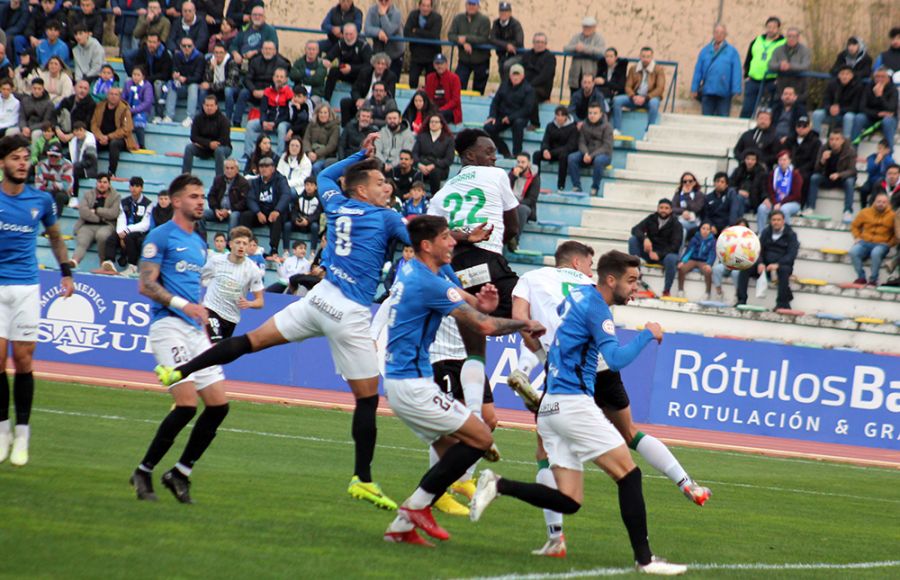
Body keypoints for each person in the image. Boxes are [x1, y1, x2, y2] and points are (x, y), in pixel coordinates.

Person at [155, 134, 411, 511]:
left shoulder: (338, 203)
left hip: (318, 298)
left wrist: (358, 153)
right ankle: (363, 479)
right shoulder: (385, 216)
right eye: (378, 183)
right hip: (350, 312)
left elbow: (325, 176)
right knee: (368, 398)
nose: (386, 187)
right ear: (361, 190)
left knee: (251, 341)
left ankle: (181, 370)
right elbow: (415, 241)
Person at [470, 250, 687, 575]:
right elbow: (614, 359)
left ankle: (498, 484)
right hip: (573, 403)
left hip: (551, 404)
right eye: (631, 281)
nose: (635, 288)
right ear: (610, 279)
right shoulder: (596, 307)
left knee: (570, 500)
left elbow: (552, 330)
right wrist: (647, 333)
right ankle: (646, 560)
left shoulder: (577, 298)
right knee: (629, 474)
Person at [507, 242, 709, 556]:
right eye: (588, 265)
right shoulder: (590, 288)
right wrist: (646, 333)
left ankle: (555, 537)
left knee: (543, 453)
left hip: (561, 372)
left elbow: (523, 320)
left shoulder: (534, 278)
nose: (589, 271)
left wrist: (528, 362)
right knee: (630, 436)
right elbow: (612, 352)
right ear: (577, 263)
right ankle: (685, 483)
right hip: (595, 368)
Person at [380, 215, 547, 547]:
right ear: (427, 246)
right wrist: (522, 324)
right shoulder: (427, 282)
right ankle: (415, 508)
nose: (453, 242)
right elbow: (483, 326)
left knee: (451, 453)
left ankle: (400, 528)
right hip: (412, 384)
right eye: (445, 237)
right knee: (481, 437)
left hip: (407, 381)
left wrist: (479, 304)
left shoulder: (417, 270)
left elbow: (462, 298)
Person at [129, 174, 231, 504]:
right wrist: (183, 304)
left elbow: (192, 287)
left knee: (219, 406)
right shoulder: (160, 236)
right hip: (167, 326)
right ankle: (143, 471)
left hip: (192, 330)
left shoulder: (200, 243)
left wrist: (200, 314)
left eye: (202, 196)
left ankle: (180, 472)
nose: (201, 201)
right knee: (187, 404)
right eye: (193, 196)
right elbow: (146, 285)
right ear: (176, 201)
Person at [0, 134, 74, 467]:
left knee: (25, 362)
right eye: (15, 158)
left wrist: (66, 272)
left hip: (28, 287)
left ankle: (23, 434)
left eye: (25, 158)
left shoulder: (41, 200)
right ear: (3, 162)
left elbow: (56, 238)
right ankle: (3, 432)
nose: (21, 163)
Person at [428, 129, 521, 317]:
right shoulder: (496, 175)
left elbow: (431, 234)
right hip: (489, 261)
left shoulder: (441, 193)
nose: (494, 158)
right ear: (470, 155)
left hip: (454, 269)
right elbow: (513, 227)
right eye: (489, 152)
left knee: (464, 321)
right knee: (520, 308)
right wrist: (488, 242)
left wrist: (464, 237)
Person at [201, 226, 265, 343]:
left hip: (231, 317)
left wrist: (249, 303)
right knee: (214, 346)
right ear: (230, 244)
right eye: (238, 242)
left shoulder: (253, 269)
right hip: (211, 309)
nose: (241, 246)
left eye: (245, 244)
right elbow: (198, 278)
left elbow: (260, 302)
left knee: (217, 356)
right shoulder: (216, 261)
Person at [736, 209, 798, 310]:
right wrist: (760, 263)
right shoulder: (766, 232)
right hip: (765, 265)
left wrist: (777, 264)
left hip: (781, 265)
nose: (776, 222)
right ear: (770, 221)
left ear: (783, 221)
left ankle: (782, 303)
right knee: (745, 266)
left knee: (784, 270)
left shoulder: (791, 235)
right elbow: (758, 250)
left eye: (778, 220)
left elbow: (791, 254)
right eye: (774, 220)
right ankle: (741, 300)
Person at [627, 199, 682, 297]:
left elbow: (675, 246)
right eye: (661, 208)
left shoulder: (676, 224)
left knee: (672, 258)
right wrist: (645, 239)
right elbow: (635, 229)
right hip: (649, 252)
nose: (663, 210)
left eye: (666, 208)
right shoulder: (651, 218)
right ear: (657, 209)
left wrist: (659, 254)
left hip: (664, 256)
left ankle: (666, 290)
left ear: (671, 210)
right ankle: (636, 275)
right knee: (633, 240)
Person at [240, 156, 292, 257]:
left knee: (277, 219)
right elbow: (250, 198)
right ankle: (245, 243)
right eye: (261, 166)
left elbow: (286, 195)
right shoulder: (255, 182)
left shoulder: (281, 180)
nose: (264, 169)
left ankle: (274, 249)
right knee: (246, 215)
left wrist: (277, 210)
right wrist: (258, 212)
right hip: (261, 212)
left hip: (275, 211)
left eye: (267, 166)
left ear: (273, 168)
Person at [69, 172, 121, 269]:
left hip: (107, 225)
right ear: (96, 183)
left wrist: (97, 210)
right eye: (99, 182)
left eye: (105, 182)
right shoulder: (88, 194)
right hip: (87, 225)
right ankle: (74, 261)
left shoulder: (116, 196)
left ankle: (103, 263)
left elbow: (113, 213)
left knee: (102, 236)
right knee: (83, 239)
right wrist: (100, 218)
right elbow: (83, 211)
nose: (102, 184)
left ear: (109, 184)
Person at [233, 40, 290, 127]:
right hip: (255, 91)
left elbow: (280, 82)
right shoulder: (255, 61)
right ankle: (236, 123)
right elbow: (247, 79)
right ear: (262, 50)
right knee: (244, 93)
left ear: (275, 51)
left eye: (270, 49)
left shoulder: (281, 64)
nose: (267, 51)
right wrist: (253, 90)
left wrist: (267, 91)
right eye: (265, 49)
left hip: (271, 93)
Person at [104, 176, 152, 275]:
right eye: (132, 186)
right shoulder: (124, 202)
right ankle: (109, 262)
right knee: (111, 238)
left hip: (138, 232)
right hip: (124, 230)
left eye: (137, 186)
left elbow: (145, 224)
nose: (134, 188)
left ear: (142, 188)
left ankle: (132, 266)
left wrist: (127, 231)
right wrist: (121, 233)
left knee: (130, 239)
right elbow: (121, 218)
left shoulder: (148, 204)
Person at [691, 24, 742, 117]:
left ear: (726, 35)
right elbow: (698, 70)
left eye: (722, 33)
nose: (719, 35)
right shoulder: (705, 51)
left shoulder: (732, 52)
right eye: (716, 32)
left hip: (724, 92)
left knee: (723, 119)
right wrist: (694, 88)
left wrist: (736, 89)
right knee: (706, 118)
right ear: (713, 34)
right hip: (708, 91)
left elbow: (736, 71)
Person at [483, 64, 534, 158]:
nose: (515, 77)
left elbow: (527, 109)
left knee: (518, 124)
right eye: (513, 75)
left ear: (522, 76)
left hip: (519, 117)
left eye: (517, 75)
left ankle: (517, 153)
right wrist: (492, 116)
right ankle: (504, 150)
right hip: (502, 117)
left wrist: (510, 118)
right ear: (510, 76)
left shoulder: (528, 89)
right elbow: (495, 102)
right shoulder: (504, 85)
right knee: (488, 127)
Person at [807, 129, 857, 222]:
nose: (834, 142)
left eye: (837, 139)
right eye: (831, 139)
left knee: (850, 182)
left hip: (842, 179)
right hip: (827, 178)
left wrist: (839, 174)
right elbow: (816, 169)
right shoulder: (824, 148)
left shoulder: (850, 150)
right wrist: (822, 160)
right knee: (814, 178)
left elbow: (852, 171)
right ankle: (810, 208)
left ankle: (847, 211)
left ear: (842, 140)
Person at [740, 16, 785, 118]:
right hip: (753, 80)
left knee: (766, 110)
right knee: (747, 109)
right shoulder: (757, 40)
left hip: (770, 81)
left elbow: (785, 62)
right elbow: (749, 58)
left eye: (774, 27)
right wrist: (746, 75)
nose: (771, 29)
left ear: (778, 29)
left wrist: (779, 78)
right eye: (768, 27)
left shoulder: (783, 43)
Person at [612, 47, 665, 133]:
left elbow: (660, 88)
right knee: (617, 100)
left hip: (649, 99)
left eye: (648, 57)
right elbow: (628, 86)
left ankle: (649, 132)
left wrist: (646, 98)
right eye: (643, 56)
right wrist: (633, 96)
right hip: (635, 98)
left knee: (654, 103)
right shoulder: (633, 69)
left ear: (652, 57)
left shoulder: (659, 70)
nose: (645, 59)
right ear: (640, 56)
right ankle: (617, 130)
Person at [243, 67, 293, 158]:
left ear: (286, 79)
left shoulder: (289, 93)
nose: (279, 79)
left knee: (282, 127)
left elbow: (288, 114)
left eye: (281, 77)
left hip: (282, 122)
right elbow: (263, 109)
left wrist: (275, 123)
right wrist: (263, 121)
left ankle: (279, 155)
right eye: (277, 76)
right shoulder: (267, 91)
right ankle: (248, 153)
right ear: (273, 78)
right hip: (268, 121)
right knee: (250, 124)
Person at [848, 192, 895, 286]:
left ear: (888, 204)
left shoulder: (893, 215)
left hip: (882, 244)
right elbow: (854, 226)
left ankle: (873, 279)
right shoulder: (865, 212)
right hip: (864, 242)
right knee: (853, 252)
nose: (881, 204)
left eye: (884, 202)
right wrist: (857, 237)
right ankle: (861, 277)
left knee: (876, 253)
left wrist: (890, 244)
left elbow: (896, 233)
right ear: (874, 202)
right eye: (879, 201)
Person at [90, 86, 139, 176]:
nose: (113, 96)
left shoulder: (124, 109)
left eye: (116, 94)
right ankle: (91, 171)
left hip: (120, 139)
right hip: (101, 138)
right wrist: (100, 136)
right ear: (107, 95)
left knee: (114, 144)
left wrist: (108, 137)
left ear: (120, 97)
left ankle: (111, 172)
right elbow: (94, 124)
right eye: (111, 94)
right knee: (90, 143)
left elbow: (126, 129)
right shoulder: (100, 106)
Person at [340, 53, 398, 128]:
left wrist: (375, 101)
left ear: (386, 66)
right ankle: (346, 128)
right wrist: (358, 99)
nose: (380, 66)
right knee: (345, 102)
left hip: (378, 105)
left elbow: (390, 95)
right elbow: (355, 89)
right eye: (378, 63)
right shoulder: (365, 72)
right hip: (362, 102)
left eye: (383, 64)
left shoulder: (391, 76)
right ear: (374, 64)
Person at [567, 103, 613, 195]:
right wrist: (586, 154)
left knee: (599, 161)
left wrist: (591, 156)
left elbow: (606, 146)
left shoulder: (608, 127)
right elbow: (581, 142)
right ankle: (577, 186)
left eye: (595, 113)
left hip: (603, 155)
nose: (592, 115)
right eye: (590, 113)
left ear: (600, 114)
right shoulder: (584, 125)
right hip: (587, 153)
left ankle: (594, 187)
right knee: (572, 158)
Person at [447, 0, 491, 95]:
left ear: (478, 6)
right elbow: (451, 35)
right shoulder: (458, 18)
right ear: (466, 5)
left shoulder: (484, 20)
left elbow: (484, 38)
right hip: (464, 60)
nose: (471, 7)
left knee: (478, 91)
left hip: (481, 60)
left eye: (474, 4)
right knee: (458, 87)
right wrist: (462, 43)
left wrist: (466, 38)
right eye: (469, 4)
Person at [183, 95, 232, 176]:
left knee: (219, 151)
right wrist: (208, 144)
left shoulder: (224, 120)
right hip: (204, 148)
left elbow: (224, 139)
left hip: (223, 147)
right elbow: (193, 137)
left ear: (216, 106)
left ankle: (219, 180)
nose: (209, 108)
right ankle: (185, 178)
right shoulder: (198, 118)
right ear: (203, 106)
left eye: (211, 105)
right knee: (189, 148)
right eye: (207, 105)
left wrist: (209, 144)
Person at [322, 23, 372, 102]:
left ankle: (360, 101)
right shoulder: (340, 44)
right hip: (344, 72)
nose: (348, 37)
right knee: (333, 71)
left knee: (365, 73)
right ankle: (326, 100)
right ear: (343, 34)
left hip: (358, 74)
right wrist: (326, 61)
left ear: (356, 33)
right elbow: (329, 57)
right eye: (346, 34)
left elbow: (369, 65)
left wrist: (351, 68)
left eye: (351, 34)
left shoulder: (364, 46)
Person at [851, 67, 898, 149]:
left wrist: (880, 96)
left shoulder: (893, 89)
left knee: (888, 121)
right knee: (859, 118)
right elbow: (862, 107)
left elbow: (891, 109)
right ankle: (852, 150)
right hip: (871, 117)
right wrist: (877, 114)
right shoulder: (868, 87)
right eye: (877, 77)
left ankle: (888, 152)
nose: (879, 79)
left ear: (888, 78)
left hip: (888, 119)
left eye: (882, 77)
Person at [811, 66, 861, 139]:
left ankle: (846, 141)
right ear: (838, 75)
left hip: (846, 113)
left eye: (847, 74)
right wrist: (830, 108)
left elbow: (855, 106)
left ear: (852, 76)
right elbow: (825, 100)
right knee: (817, 114)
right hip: (831, 112)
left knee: (849, 117)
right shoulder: (832, 84)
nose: (844, 76)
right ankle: (815, 139)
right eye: (842, 74)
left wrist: (840, 110)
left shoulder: (857, 86)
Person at [164, 36, 204, 126]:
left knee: (193, 86)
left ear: (193, 46)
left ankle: (190, 117)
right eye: (184, 46)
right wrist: (175, 74)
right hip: (181, 85)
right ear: (180, 46)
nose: (187, 48)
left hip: (193, 87)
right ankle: (169, 116)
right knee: (172, 83)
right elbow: (174, 69)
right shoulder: (177, 56)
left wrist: (185, 79)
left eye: (189, 46)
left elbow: (198, 77)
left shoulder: (199, 57)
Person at [403, 0, 442, 90]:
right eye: (423, 5)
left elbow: (434, 35)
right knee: (412, 81)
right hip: (416, 54)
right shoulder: (413, 15)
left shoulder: (437, 18)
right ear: (419, 6)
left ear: (431, 7)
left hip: (431, 55)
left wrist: (417, 31)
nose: (425, 8)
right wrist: (426, 34)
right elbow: (406, 33)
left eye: (428, 6)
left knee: (430, 84)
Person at [759, 149, 802, 230]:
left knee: (784, 209)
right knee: (762, 208)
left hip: (792, 203)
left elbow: (796, 195)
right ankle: (762, 234)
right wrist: (775, 202)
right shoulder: (773, 174)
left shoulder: (796, 175)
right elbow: (770, 190)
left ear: (789, 161)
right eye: (780, 160)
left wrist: (781, 203)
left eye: (785, 160)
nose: (782, 162)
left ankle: (786, 234)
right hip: (775, 201)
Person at [520, 32, 556, 127]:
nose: (539, 44)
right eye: (537, 42)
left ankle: (535, 123)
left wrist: (528, 86)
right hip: (526, 85)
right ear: (533, 43)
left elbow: (544, 76)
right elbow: (521, 70)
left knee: (532, 93)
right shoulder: (527, 55)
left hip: (542, 89)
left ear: (545, 44)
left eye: (542, 42)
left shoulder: (550, 58)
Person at [413, 112, 454, 194]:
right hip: (422, 165)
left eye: (436, 122)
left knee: (435, 172)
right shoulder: (422, 136)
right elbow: (414, 153)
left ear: (441, 124)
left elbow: (449, 159)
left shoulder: (449, 139)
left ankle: (434, 196)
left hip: (440, 168)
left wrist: (434, 165)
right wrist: (419, 165)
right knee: (415, 172)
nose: (433, 124)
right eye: (431, 122)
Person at [768, 27, 811, 104]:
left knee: (797, 107)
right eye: (789, 36)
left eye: (793, 36)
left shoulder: (805, 50)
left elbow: (806, 65)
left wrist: (790, 66)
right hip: (781, 84)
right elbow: (770, 64)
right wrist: (780, 65)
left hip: (798, 85)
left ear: (798, 38)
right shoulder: (778, 50)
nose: (791, 38)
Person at [199, 42, 240, 123]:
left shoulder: (231, 62)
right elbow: (206, 81)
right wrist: (211, 69)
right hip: (215, 89)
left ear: (225, 53)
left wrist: (210, 85)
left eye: (221, 52)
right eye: (216, 53)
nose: (218, 55)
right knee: (202, 90)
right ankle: (203, 117)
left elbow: (230, 82)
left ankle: (227, 119)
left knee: (228, 90)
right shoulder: (210, 61)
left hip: (231, 90)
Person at [205, 157, 248, 230]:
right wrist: (216, 209)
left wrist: (228, 211)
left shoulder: (243, 182)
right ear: (224, 169)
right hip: (218, 211)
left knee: (234, 216)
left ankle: (230, 240)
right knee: (201, 214)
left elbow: (244, 202)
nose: (229, 171)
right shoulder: (218, 179)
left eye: (232, 168)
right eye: (227, 168)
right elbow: (211, 196)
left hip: (233, 211)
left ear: (237, 170)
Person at [365, 0, 404, 80]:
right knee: (376, 80)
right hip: (378, 52)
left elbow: (389, 31)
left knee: (392, 80)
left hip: (394, 54)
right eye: (380, 0)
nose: (383, 2)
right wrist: (378, 32)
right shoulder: (372, 10)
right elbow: (367, 29)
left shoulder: (396, 13)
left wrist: (383, 14)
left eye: (386, 0)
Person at [564, 17, 604, 94]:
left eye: (589, 27)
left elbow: (601, 51)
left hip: (590, 74)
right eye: (585, 26)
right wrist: (575, 47)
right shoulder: (577, 37)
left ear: (594, 28)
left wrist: (585, 49)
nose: (587, 29)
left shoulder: (599, 38)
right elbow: (566, 48)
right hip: (575, 74)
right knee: (574, 95)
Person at [677, 222, 716, 298]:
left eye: (708, 229)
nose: (705, 231)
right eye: (703, 228)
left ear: (710, 231)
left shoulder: (712, 241)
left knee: (708, 271)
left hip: (704, 261)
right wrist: (683, 261)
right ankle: (680, 290)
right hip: (693, 260)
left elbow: (712, 254)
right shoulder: (695, 238)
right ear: (700, 229)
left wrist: (709, 264)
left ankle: (707, 292)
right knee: (681, 268)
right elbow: (689, 251)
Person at [507, 153, 539, 247]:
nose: (520, 164)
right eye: (518, 162)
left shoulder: (535, 177)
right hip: (510, 204)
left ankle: (514, 240)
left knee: (522, 209)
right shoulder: (512, 173)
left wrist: (516, 203)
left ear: (528, 164)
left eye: (523, 162)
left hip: (525, 206)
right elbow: (504, 190)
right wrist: (513, 177)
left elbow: (532, 200)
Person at [35, 143, 74, 216]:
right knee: (44, 194)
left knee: (60, 196)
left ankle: (55, 220)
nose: (53, 158)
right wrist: (58, 181)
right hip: (47, 191)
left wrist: (47, 182)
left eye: (55, 156)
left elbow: (65, 185)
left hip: (64, 194)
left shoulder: (68, 165)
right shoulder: (41, 165)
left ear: (60, 156)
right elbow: (38, 185)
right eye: (51, 155)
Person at [128, 2, 171, 68]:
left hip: (157, 48)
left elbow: (163, 39)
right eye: (150, 8)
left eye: (155, 8)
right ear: (147, 9)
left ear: (159, 10)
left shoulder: (165, 21)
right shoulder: (142, 18)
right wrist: (147, 22)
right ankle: (134, 75)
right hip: (143, 47)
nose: (152, 10)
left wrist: (151, 43)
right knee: (127, 56)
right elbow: (136, 34)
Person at [424, 53, 462, 125]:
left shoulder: (454, 78)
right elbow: (428, 97)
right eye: (437, 64)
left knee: (439, 115)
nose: (439, 66)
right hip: (433, 109)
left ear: (446, 64)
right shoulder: (429, 77)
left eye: (442, 63)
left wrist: (441, 109)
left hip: (450, 110)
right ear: (434, 65)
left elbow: (455, 100)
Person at [490, 2, 524, 80]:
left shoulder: (516, 24)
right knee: (502, 70)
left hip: (516, 55)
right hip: (502, 55)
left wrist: (506, 44)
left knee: (507, 66)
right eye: (501, 11)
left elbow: (519, 41)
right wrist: (506, 45)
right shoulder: (496, 23)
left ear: (510, 13)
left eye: (506, 11)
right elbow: (492, 38)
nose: (503, 13)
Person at [303, 103, 340, 175]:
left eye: (325, 113)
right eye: (321, 112)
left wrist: (317, 154)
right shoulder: (311, 124)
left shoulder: (335, 127)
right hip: (310, 154)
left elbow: (331, 146)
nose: (323, 115)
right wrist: (309, 152)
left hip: (325, 157)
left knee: (316, 167)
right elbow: (306, 139)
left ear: (329, 114)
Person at [18, 79, 54, 148]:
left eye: (39, 89)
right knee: (10, 132)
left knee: (35, 134)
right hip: (25, 126)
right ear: (31, 88)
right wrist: (23, 127)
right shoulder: (25, 100)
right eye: (34, 88)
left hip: (40, 128)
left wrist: (30, 129)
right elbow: (21, 117)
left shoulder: (49, 103)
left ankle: (33, 157)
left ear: (43, 89)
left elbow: (46, 122)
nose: (36, 91)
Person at [860, 140, 895, 208]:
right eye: (878, 148)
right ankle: (863, 209)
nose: (879, 151)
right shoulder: (872, 157)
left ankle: (872, 208)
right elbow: (870, 170)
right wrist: (876, 162)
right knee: (863, 190)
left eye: (881, 149)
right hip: (871, 181)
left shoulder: (890, 160)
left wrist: (884, 160)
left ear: (887, 150)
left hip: (883, 183)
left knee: (877, 190)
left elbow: (888, 173)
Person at [671, 171, 706, 239]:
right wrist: (683, 212)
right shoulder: (678, 194)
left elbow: (696, 208)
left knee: (679, 228)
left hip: (694, 221)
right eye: (685, 181)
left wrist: (687, 195)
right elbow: (672, 208)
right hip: (679, 219)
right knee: (679, 228)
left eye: (690, 181)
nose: (687, 183)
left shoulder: (699, 194)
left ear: (694, 183)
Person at [67, 121, 97, 196]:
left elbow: (90, 161)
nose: (78, 132)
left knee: (76, 169)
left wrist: (76, 165)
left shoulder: (90, 142)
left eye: (81, 130)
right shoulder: (73, 141)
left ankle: (75, 195)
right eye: (76, 130)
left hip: (88, 170)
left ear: (85, 131)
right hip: (76, 166)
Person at [293, 177, 322, 251]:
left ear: (316, 187)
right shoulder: (299, 197)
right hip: (299, 222)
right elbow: (294, 211)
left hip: (311, 222)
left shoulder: (319, 199)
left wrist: (308, 220)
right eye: (307, 185)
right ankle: (285, 250)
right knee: (287, 225)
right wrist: (295, 220)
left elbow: (317, 214)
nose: (309, 187)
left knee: (315, 226)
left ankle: (313, 251)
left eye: (311, 185)